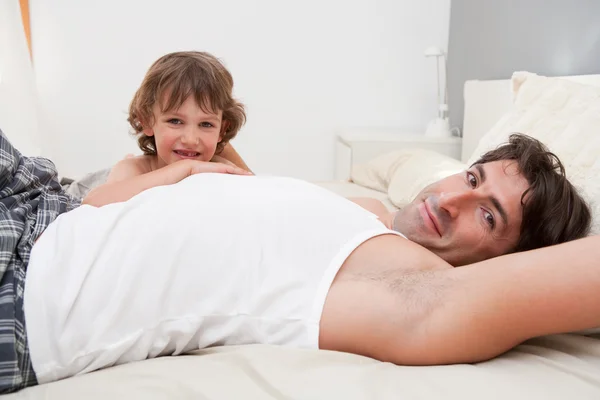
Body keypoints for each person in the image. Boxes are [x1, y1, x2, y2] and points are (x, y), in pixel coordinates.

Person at [0, 131, 594, 393]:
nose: (453, 199)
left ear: (506, 262)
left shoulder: (413, 286)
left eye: (488, 216)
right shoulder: (365, 212)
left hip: (26, 279)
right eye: (470, 176)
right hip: (47, 201)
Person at [83, 51, 253, 207]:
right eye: (175, 121)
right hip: (88, 185)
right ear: (147, 121)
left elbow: (257, 193)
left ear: (222, 130)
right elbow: (93, 201)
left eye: (206, 124)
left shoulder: (220, 168)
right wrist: (186, 168)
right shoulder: (134, 168)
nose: (191, 139)